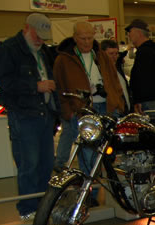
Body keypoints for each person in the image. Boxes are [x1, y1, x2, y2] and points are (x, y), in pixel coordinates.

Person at [0, 13, 58, 221]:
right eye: (37, 35)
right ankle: (28, 208)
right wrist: (35, 87)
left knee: (46, 164)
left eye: (43, 36)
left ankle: (43, 205)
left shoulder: (45, 52)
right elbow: (4, 83)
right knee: (28, 164)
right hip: (24, 115)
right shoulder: (9, 49)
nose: (39, 40)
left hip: (45, 114)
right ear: (26, 29)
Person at [53, 22, 124, 177]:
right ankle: (91, 192)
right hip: (82, 111)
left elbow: (114, 81)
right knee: (87, 154)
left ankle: (97, 187)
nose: (86, 42)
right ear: (75, 38)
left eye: (89, 38)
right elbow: (59, 89)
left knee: (102, 152)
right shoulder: (63, 60)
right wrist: (69, 113)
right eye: (83, 38)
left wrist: (118, 103)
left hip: (105, 108)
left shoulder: (101, 56)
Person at [126, 19, 155, 125]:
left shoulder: (144, 52)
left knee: (149, 134)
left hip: (148, 102)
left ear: (138, 33)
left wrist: (137, 100)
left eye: (130, 32)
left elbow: (142, 78)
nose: (129, 36)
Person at [100, 39, 130, 112]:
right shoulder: (101, 72)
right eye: (111, 54)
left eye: (116, 54)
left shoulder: (118, 68)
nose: (114, 56)